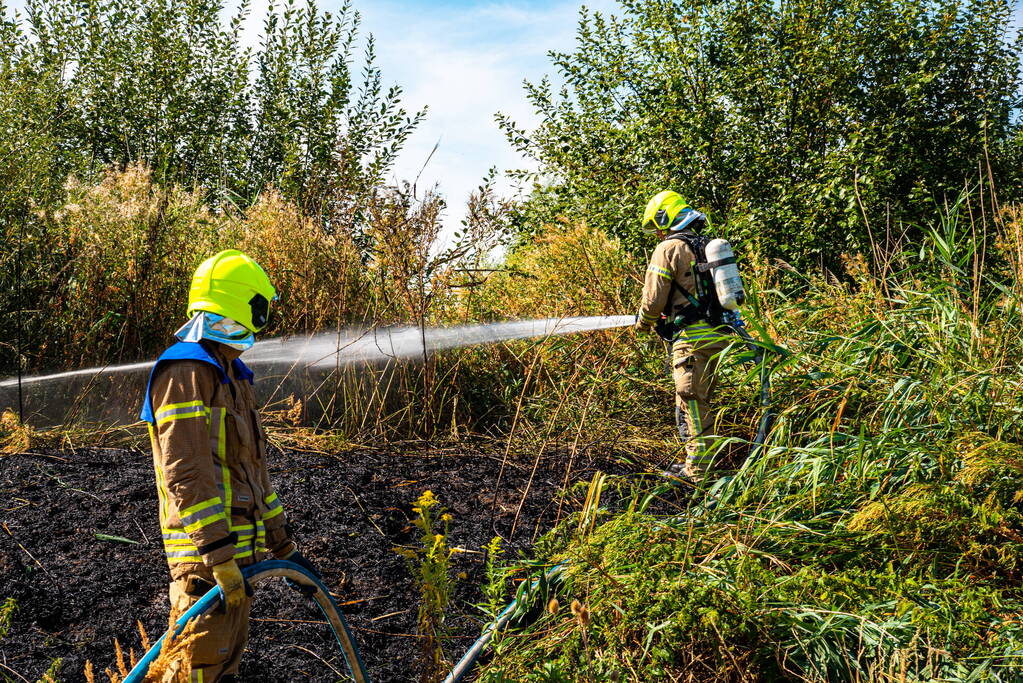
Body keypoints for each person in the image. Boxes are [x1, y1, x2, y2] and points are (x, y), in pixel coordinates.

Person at [140, 249, 319, 682]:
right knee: (193, 672)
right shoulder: (186, 371)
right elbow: (186, 472)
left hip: (240, 554)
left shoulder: (232, 374)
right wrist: (218, 555)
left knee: (223, 670)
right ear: (242, 305)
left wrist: (283, 546)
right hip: (206, 563)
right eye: (261, 306)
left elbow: (254, 476)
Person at [634, 191, 730, 482]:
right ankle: (695, 462)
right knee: (701, 399)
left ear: (666, 218)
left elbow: (653, 298)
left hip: (692, 340)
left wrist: (644, 323)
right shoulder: (707, 245)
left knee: (691, 402)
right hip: (720, 336)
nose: (659, 233)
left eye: (659, 226)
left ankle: (700, 474)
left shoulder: (669, 248)